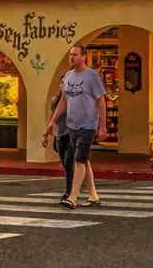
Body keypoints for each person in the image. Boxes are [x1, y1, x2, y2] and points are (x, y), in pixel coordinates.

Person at [45, 44, 107, 209]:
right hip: (72, 126)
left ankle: (72, 197)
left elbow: (101, 101)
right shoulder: (68, 77)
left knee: (78, 160)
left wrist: (102, 126)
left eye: (75, 54)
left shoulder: (91, 76)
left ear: (83, 57)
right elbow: (63, 101)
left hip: (87, 125)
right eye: (70, 54)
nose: (71, 57)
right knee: (84, 160)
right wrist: (52, 121)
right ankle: (93, 194)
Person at [47, 93, 74, 203]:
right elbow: (52, 115)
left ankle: (69, 192)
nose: (63, 84)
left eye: (65, 82)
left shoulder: (75, 99)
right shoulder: (56, 100)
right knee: (65, 163)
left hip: (72, 134)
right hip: (60, 135)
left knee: (68, 162)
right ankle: (71, 187)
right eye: (62, 82)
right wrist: (47, 130)